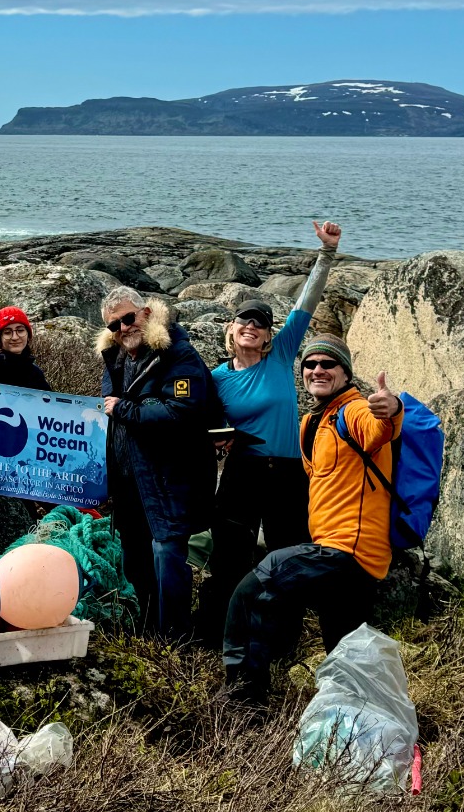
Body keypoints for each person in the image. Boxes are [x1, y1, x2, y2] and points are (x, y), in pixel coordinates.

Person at [222, 335, 404, 702]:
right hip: (337, 553)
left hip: (347, 552)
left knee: (254, 590)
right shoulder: (311, 424)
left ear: (346, 373)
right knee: (345, 650)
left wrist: (392, 407)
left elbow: (380, 428)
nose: (317, 370)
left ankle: (243, 701)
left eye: (328, 364)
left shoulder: (354, 410)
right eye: (310, 364)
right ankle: (355, 718)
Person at [195, 220, 342, 647]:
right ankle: (216, 635)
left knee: (288, 558)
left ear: (268, 336)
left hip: (290, 474)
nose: (253, 326)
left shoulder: (280, 356)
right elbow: (196, 417)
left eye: (261, 323)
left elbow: (306, 303)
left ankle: (282, 642)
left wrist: (327, 253)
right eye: (245, 320)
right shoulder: (216, 378)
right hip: (243, 471)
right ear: (232, 329)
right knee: (230, 559)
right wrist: (215, 437)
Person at [98, 286, 219, 639]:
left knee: (167, 556)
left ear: (146, 314)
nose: (123, 328)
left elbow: (181, 411)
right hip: (128, 479)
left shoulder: (177, 354)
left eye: (128, 318)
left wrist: (125, 409)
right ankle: (148, 628)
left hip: (168, 476)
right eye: (114, 325)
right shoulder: (117, 357)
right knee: (135, 555)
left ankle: (176, 638)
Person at [0, 305, 52, 391]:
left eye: (20, 331)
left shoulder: (36, 373)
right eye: (7, 332)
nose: (15, 337)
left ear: (28, 335)